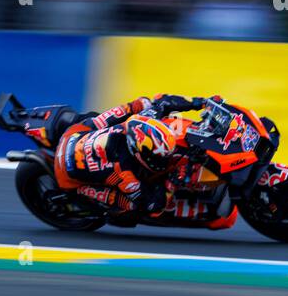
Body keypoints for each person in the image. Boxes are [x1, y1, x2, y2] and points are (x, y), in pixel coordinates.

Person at [51, 93, 206, 216]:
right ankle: (102, 210)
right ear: (137, 153)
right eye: (158, 157)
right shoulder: (124, 174)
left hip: (75, 134)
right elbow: (151, 205)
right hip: (67, 176)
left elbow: (163, 100)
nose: (164, 160)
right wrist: (172, 183)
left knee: (109, 115)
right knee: (130, 207)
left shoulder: (136, 121)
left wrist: (198, 103)